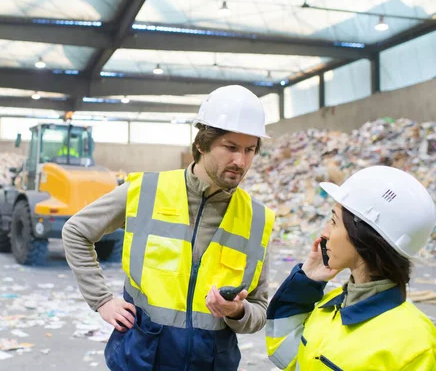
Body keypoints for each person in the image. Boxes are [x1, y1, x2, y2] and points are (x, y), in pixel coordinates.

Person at [62, 85, 276, 370]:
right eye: (231, 147)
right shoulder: (146, 191)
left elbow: (259, 310)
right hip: (143, 357)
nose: (241, 161)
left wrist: (237, 311)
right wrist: (102, 300)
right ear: (201, 144)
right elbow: (76, 232)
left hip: (211, 362)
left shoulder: (257, 219)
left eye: (249, 150)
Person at [266, 165, 436, 371]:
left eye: (334, 222)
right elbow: (284, 352)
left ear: (363, 237)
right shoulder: (330, 307)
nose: (324, 232)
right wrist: (305, 283)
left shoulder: (416, 345)